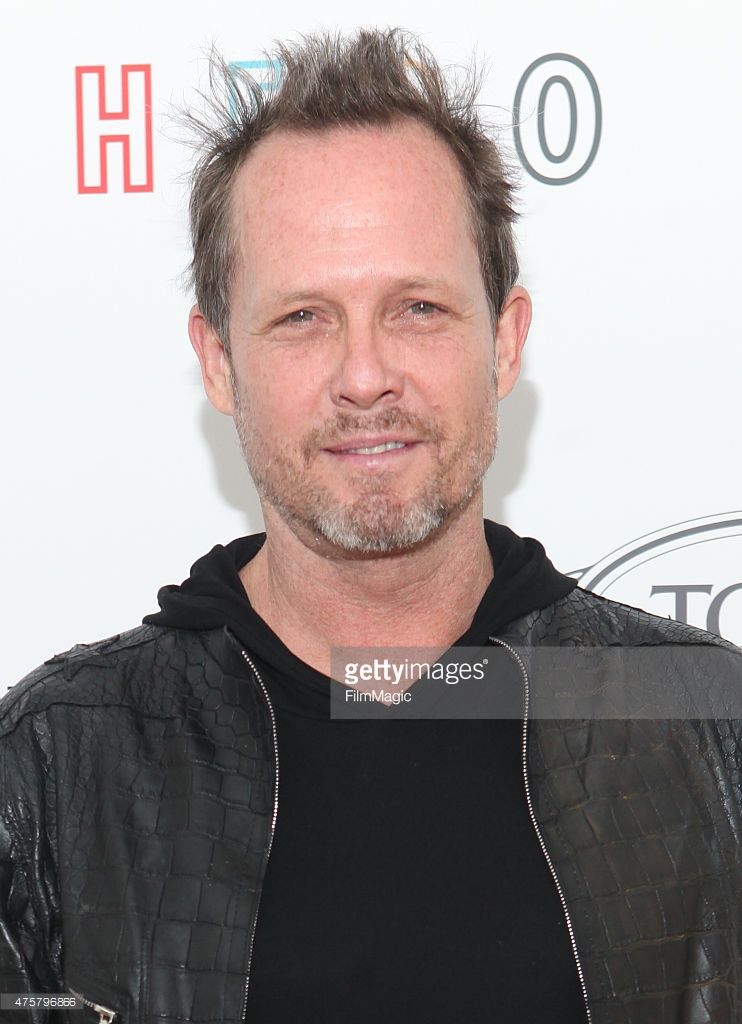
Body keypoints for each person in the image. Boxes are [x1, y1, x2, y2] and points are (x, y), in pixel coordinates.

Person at [1, 27, 741, 1024]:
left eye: (418, 307)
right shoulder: (57, 763)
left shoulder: (704, 720)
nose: (363, 376)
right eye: (303, 317)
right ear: (218, 362)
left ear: (505, 340)